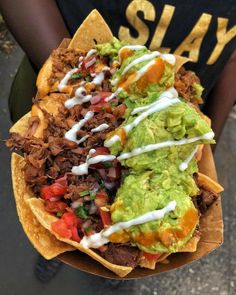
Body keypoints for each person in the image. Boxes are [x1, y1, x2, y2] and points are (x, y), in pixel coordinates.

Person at [0, 0, 235, 283]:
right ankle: (62, 249)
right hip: (63, 64)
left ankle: (102, 264)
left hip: (178, 106)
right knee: (57, 217)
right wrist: (73, 77)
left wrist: (210, 139)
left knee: (119, 252)